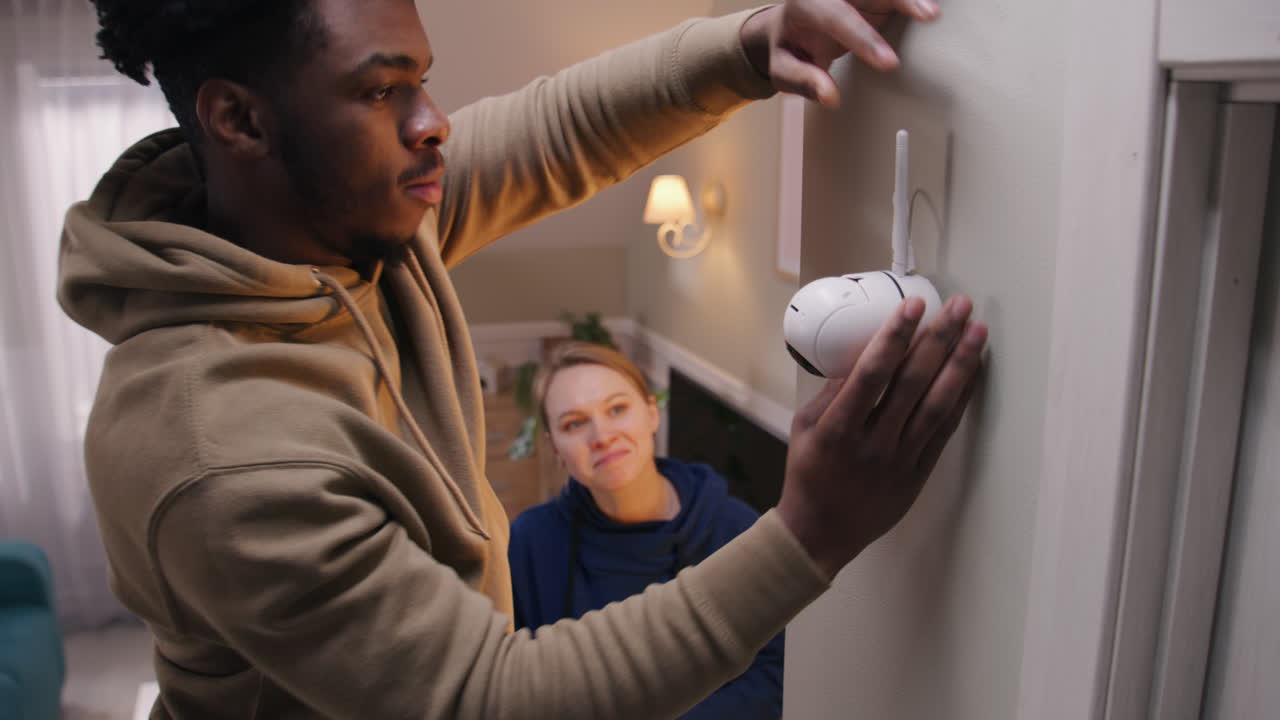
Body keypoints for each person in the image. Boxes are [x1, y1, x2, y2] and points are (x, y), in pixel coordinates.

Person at [58, 0, 988, 718]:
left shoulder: (345, 219)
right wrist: (810, 532)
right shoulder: (217, 455)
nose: (434, 122)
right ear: (240, 122)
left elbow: (557, 132)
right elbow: (493, 700)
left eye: (421, 78)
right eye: (383, 90)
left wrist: (753, 43)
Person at [508, 341, 784, 719]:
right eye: (574, 423)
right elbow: (517, 681)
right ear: (555, 446)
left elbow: (773, 677)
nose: (601, 435)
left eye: (617, 409)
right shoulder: (530, 543)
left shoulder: (736, 531)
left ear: (652, 414)